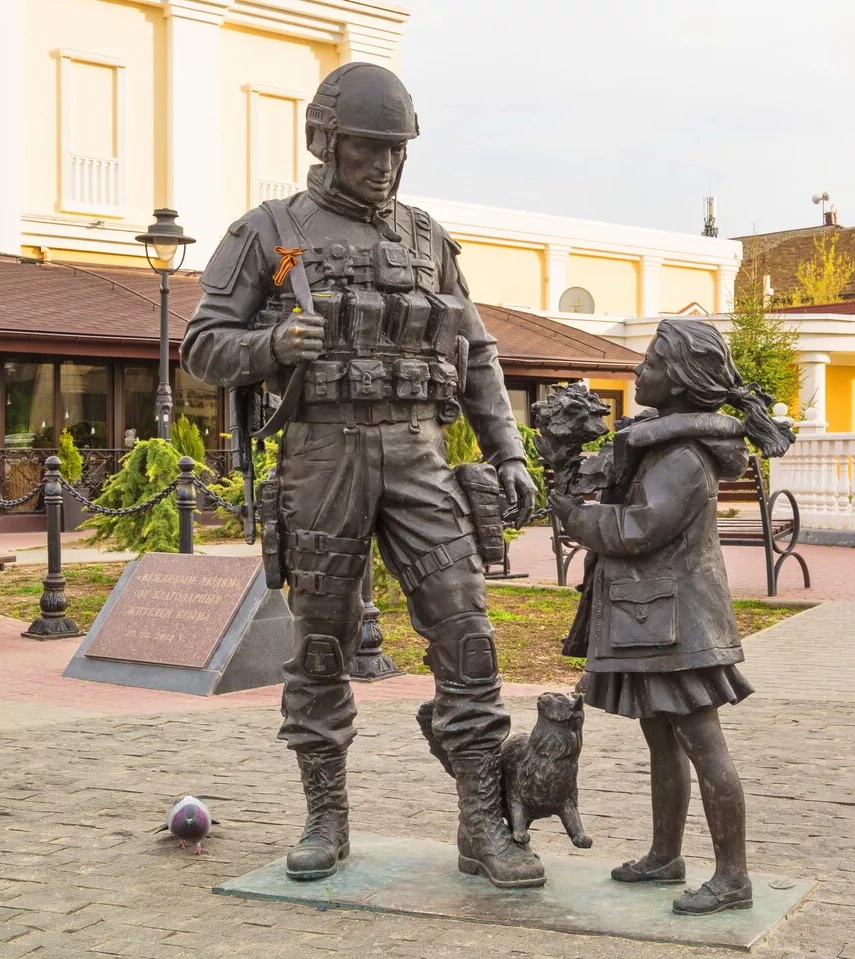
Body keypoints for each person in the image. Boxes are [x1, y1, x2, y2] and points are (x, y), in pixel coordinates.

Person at [180, 63, 543, 889]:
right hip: (321, 456)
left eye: (394, 150)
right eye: (366, 148)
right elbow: (201, 346)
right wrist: (270, 347)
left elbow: (476, 352)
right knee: (318, 647)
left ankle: (482, 824)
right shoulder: (269, 233)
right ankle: (325, 819)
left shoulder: (424, 236)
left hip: (422, 455)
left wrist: (508, 450)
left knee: (468, 634)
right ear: (324, 142)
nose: (382, 165)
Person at [549, 319, 793, 915]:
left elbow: (639, 529)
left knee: (702, 744)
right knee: (662, 739)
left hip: (678, 622)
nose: (639, 373)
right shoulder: (660, 444)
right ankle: (666, 855)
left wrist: (574, 518)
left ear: (681, 381)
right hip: (650, 617)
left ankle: (732, 876)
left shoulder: (681, 456)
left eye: (651, 364)